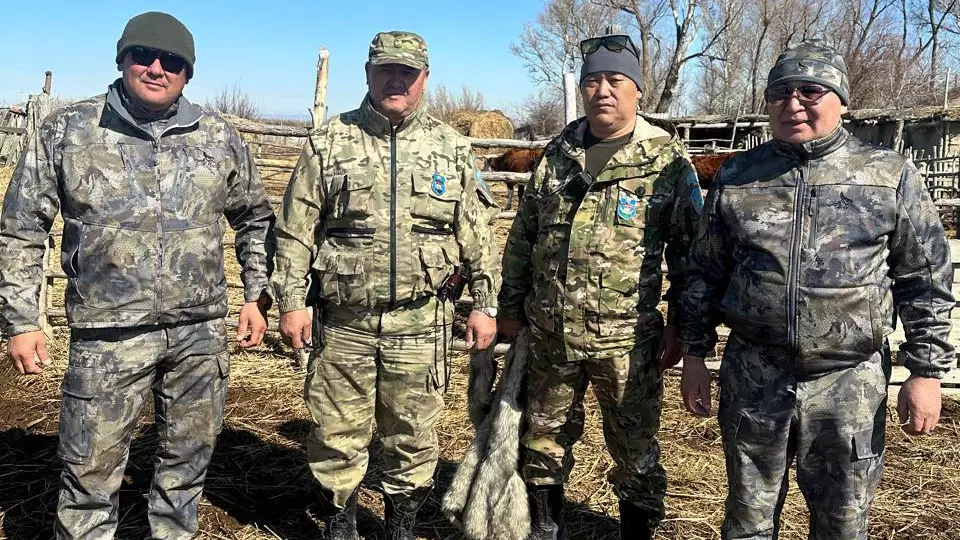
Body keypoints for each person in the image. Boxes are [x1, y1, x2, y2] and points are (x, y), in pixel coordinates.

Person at [0, 11, 275, 540]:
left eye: (172, 61)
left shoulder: (218, 136)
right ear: (122, 60)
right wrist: (22, 320)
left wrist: (256, 293)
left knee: (187, 468)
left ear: (188, 72)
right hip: (107, 336)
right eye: (143, 55)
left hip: (199, 335)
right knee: (88, 473)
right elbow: (20, 228)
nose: (156, 68)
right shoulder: (69, 130)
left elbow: (256, 218)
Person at [680, 39, 955, 540]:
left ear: (841, 101)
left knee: (843, 523)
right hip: (755, 375)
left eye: (810, 90)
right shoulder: (739, 176)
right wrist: (694, 355)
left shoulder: (887, 175)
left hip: (849, 383)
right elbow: (704, 272)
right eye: (780, 92)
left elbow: (926, 278)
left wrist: (926, 371)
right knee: (747, 519)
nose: (793, 103)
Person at [270, 31, 500, 540]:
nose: (396, 81)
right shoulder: (330, 142)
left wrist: (486, 303)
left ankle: (401, 528)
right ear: (368, 73)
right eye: (386, 70)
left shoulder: (451, 148)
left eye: (407, 73)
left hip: (422, 322)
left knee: (413, 436)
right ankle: (340, 526)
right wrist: (290, 301)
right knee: (335, 434)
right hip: (344, 322)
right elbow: (294, 230)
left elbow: (478, 235)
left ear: (425, 78)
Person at [497, 33, 703, 540]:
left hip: (626, 342)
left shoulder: (666, 161)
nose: (602, 91)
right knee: (541, 444)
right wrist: (510, 309)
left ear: (637, 90)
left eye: (615, 80)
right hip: (551, 336)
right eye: (592, 81)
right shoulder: (558, 154)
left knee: (635, 453)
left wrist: (681, 325)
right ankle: (545, 529)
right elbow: (524, 236)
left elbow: (690, 255)